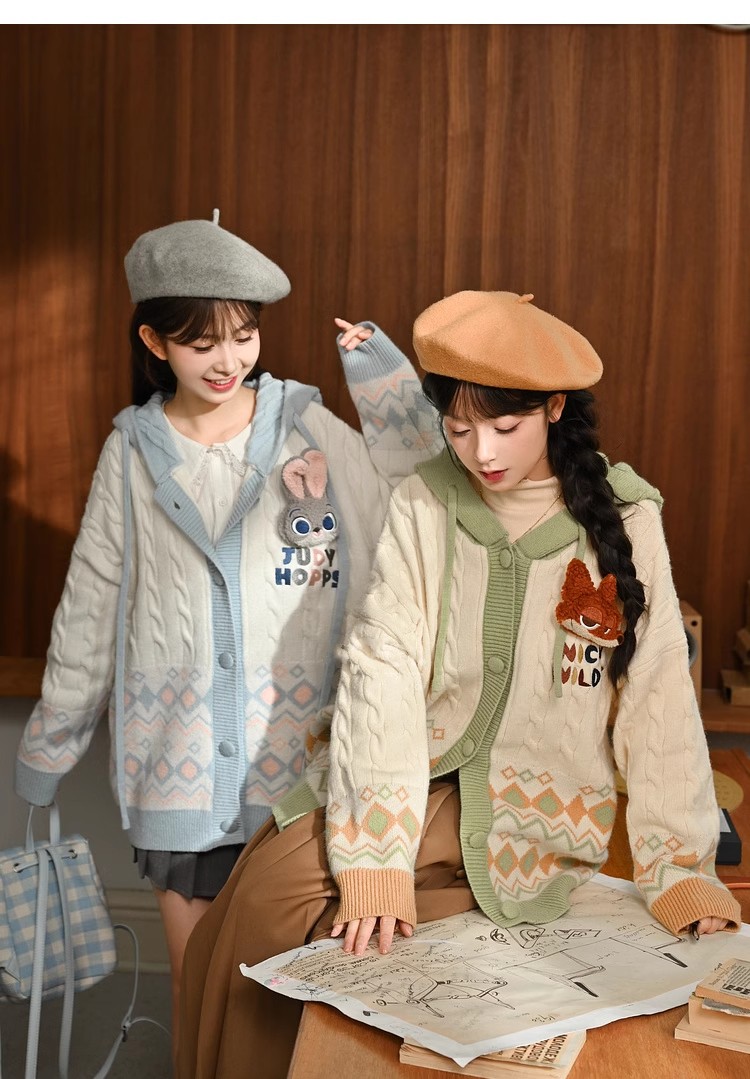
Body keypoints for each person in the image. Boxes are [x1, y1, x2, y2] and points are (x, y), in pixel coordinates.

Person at [178, 290, 741, 1079]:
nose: (481, 452)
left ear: (553, 407)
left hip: (537, 802)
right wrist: (376, 857)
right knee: (265, 894)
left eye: (504, 427)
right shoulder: (426, 501)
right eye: (459, 427)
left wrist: (681, 871)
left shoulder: (628, 521)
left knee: (308, 914)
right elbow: (382, 668)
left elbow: (658, 701)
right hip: (414, 772)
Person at [13, 210, 441, 1064]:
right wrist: (49, 747)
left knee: (287, 1010)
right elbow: (90, 606)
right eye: (201, 342)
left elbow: (423, 486)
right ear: (155, 341)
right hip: (175, 773)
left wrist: (383, 380)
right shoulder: (131, 455)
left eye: (244, 335)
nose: (228, 359)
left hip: (300, 771)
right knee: (197, 993)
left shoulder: (308, 429)